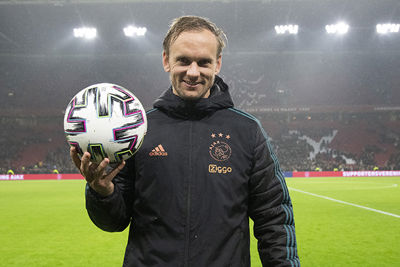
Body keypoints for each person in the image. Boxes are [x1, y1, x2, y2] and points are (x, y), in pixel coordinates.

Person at [70, 15, 299, 267]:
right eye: (183, 61)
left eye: (203, 62)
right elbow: (113, 221)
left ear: (218, 64)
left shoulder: (247, 131)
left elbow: (275, 219)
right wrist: (103, 193)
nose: (193, 72)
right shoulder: (137, 132)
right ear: (166, 60)